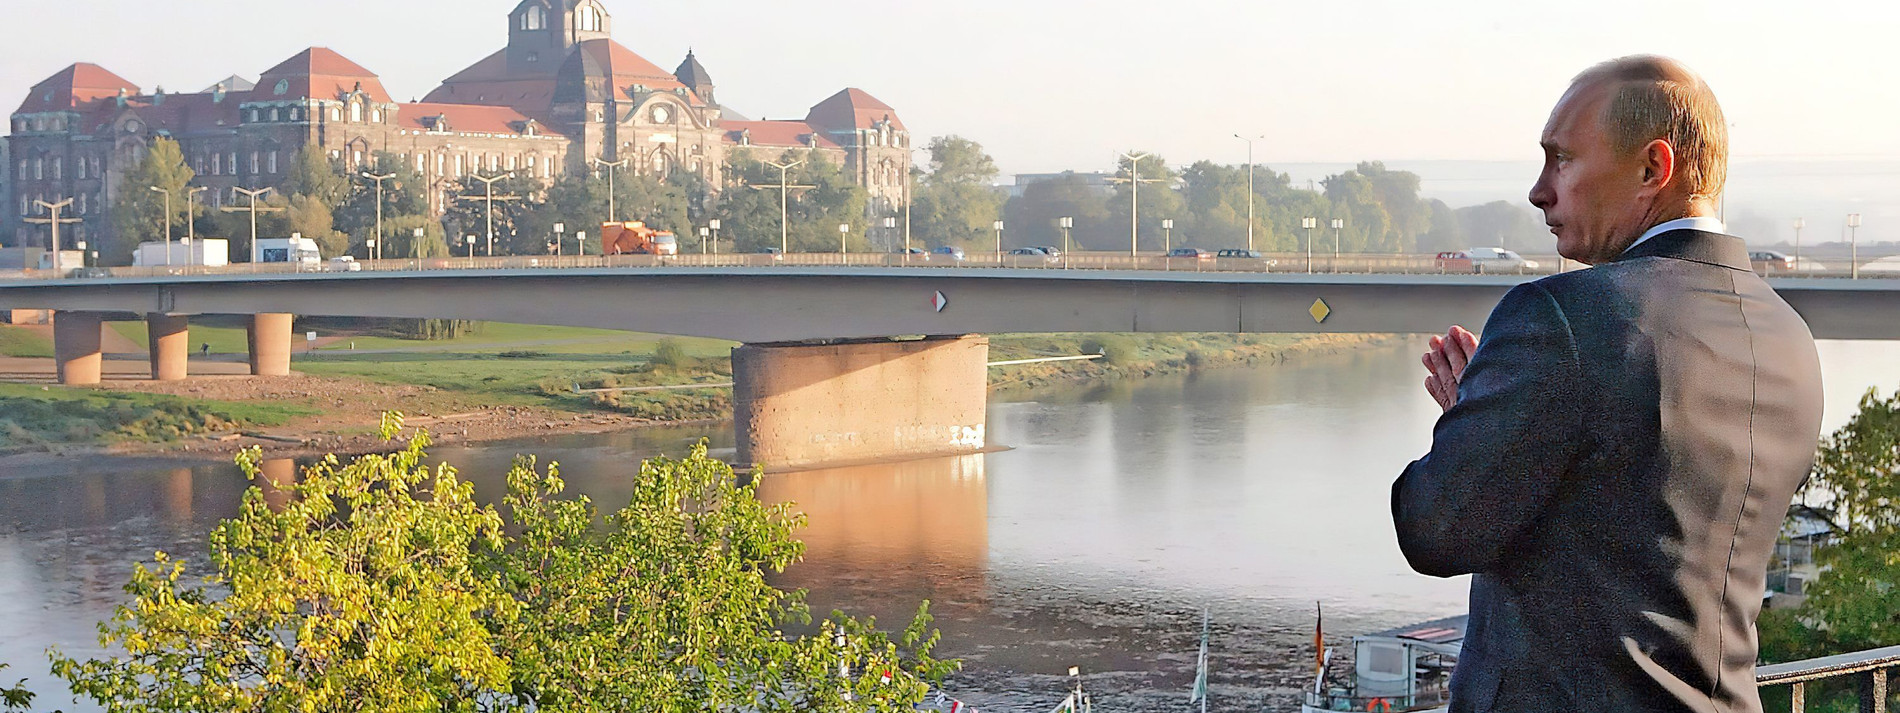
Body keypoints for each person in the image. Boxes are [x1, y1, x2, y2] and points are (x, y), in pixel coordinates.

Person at [1391, 56, 1824, 712]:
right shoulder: (1788, 337)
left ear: (1653, 169)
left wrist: (1466, 429)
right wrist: (1503, 429)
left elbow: (1435, 528)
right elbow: (1645, 521)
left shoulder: (1563, 315)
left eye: (1560, 159)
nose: (1539, 191)